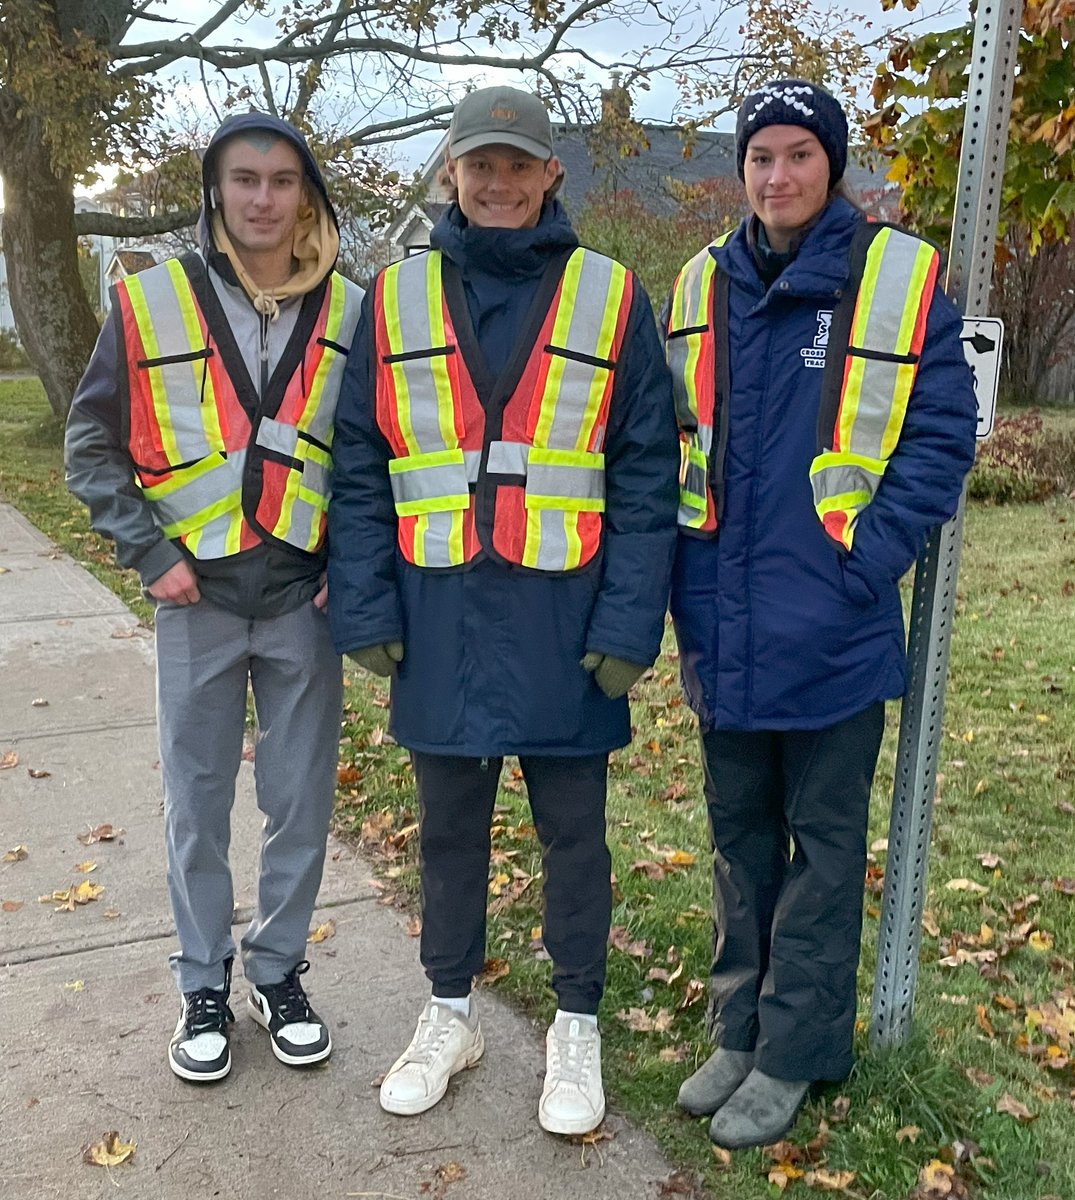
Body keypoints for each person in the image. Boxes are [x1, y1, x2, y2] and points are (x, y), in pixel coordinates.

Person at [328, 85, 679, 1135]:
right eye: (478, 164)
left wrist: (627, 628)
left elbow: (648, 473)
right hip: (436, 618)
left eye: (516, 165)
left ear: (549, 176)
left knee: (574, 836)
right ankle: (450, 1014)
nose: (496, 181)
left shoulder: (611, 298)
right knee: (448, 834)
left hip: (566, 626)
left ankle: (576, 1023)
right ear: (451, 174)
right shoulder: (389, 301)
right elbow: (357, 466)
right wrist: (364, 607)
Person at [665, 80, 978, 1148]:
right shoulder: (699, 284)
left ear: (830, 165)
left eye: (799, 155)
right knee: (736, 841)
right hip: (721, 621)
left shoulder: (897, 278)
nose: (778, 176)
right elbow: (671, 447)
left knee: (822, 849)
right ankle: (736, 1029)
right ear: (739, 169)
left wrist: (870, 560)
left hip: (835, 629)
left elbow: (942, 436)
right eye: (760, 157)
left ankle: (795, 1053)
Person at [65, 112, 363, 1082]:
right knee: (196, 803)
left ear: (305, 195)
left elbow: (379, 459)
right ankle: (204, 984)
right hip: (195, 599)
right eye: (245, 180)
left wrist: (349, 569)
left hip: (301, 599)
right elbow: (89, 444)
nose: (264, 198)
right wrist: (149, 554)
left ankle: (278, 975)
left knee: (299, 803)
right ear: (216, 193)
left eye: (282, 181)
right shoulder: (151, 303)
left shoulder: (353, 311)